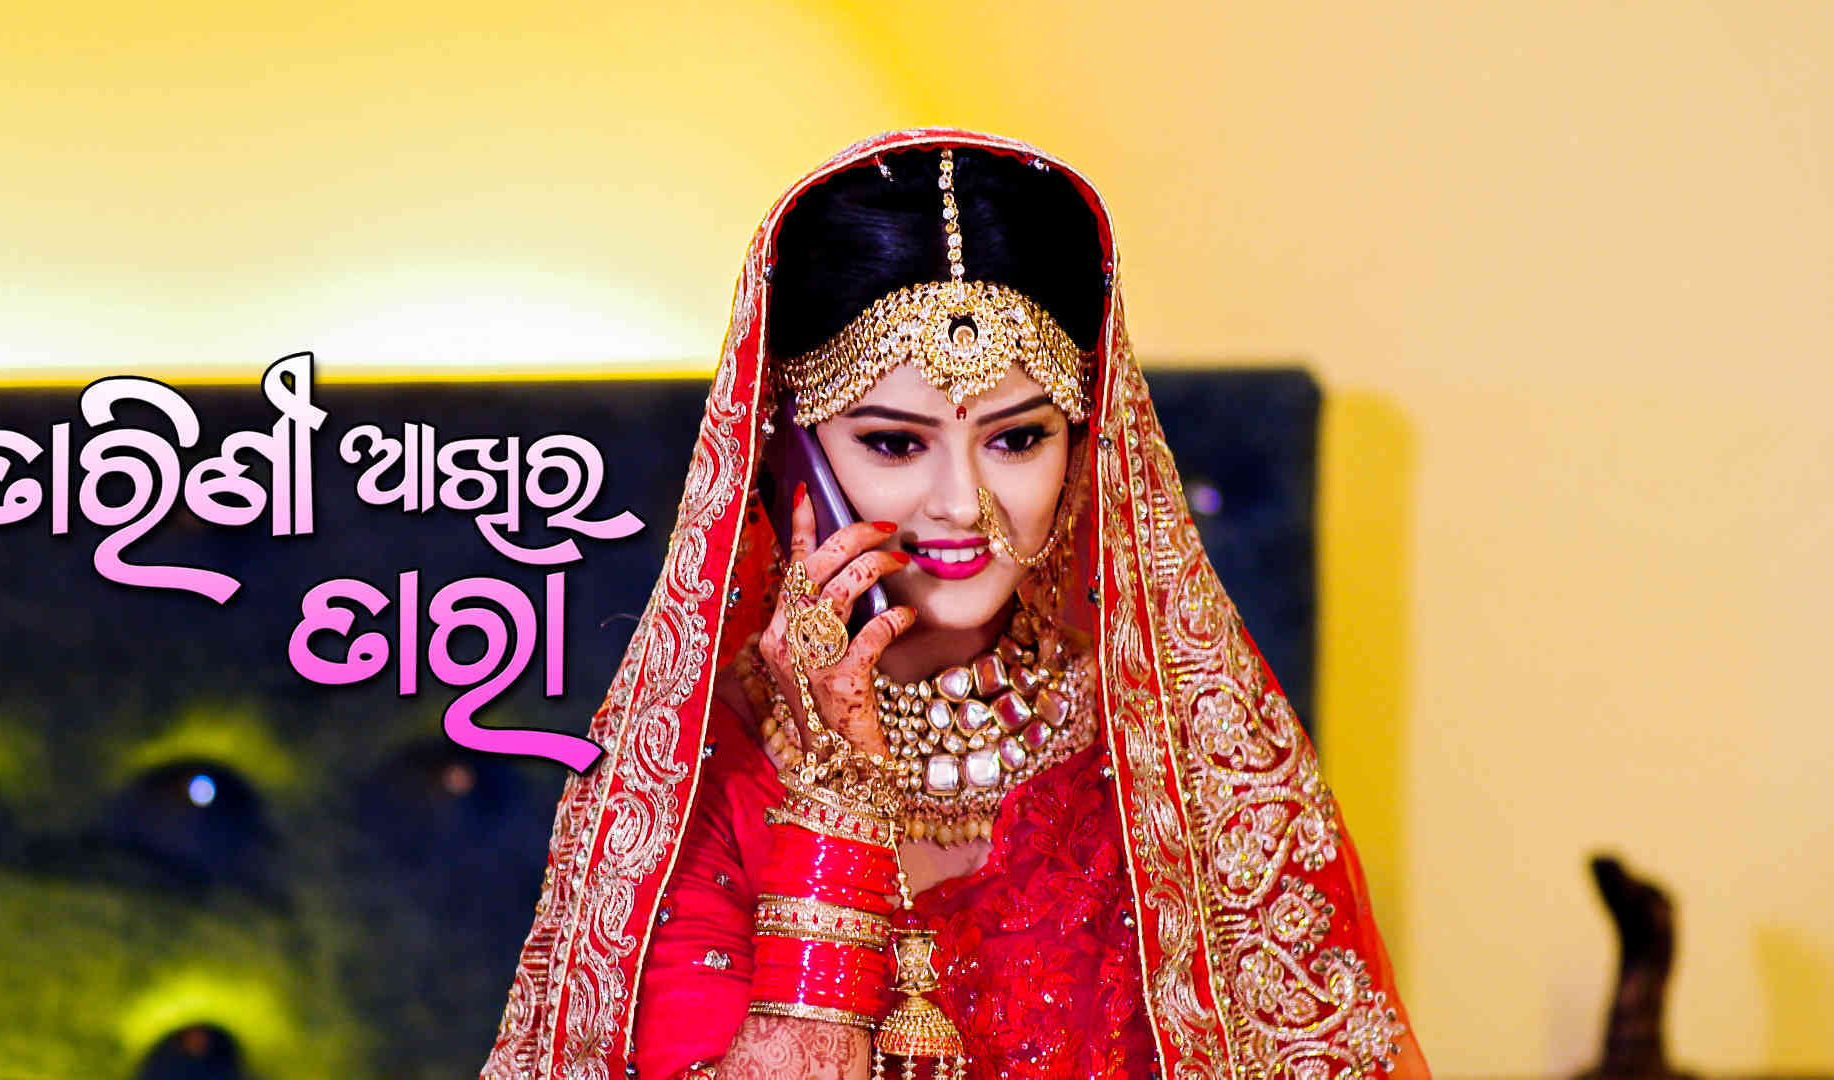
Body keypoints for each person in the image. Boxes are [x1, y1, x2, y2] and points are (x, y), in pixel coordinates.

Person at [482, 129, 1428, 1080]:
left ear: (1084, 443)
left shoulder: (1180, 753)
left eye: (1017, 439)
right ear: (788, 451)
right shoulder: (689, 784)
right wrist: (836, 798)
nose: (962, 505)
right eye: (896, 444)